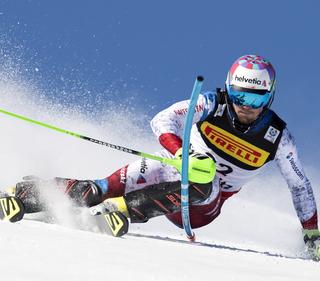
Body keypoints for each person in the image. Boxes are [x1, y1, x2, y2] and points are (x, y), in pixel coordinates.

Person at [4, 54, 319, 255]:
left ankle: (122, 210)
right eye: (238, 94)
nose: (245, 105)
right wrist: (183, 154)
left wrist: (312, 233)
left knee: (203, 182)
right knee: (100, 188)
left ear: (270, 95)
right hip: (172, 168)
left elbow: (300, 186)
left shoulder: (278, 139)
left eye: (255, 97)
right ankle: (30, 193)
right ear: (228, 88)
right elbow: (162, 120)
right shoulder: (211, 104)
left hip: (202, 203)